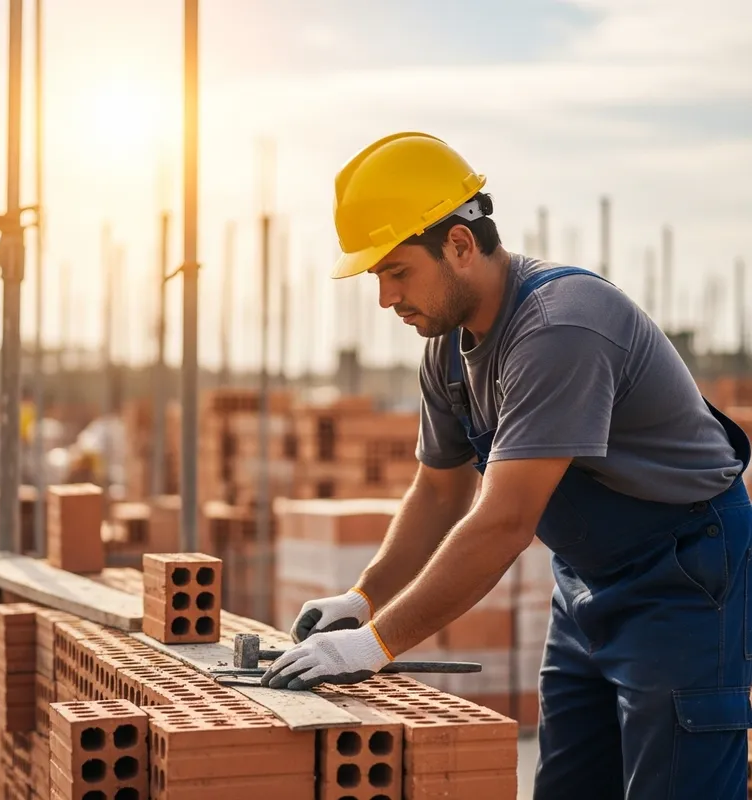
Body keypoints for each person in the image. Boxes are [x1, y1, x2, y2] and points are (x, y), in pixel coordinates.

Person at [260, 132, 752, 799]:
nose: (384, 298)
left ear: (460, 245)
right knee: (570, 784)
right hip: (587, 583)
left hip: (684, 578)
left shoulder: (561, 329)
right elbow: (438, 495)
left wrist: (375, 645)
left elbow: (503, 521)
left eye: (397, 270)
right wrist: (363, 598)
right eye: (377, 277)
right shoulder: (447, 347)